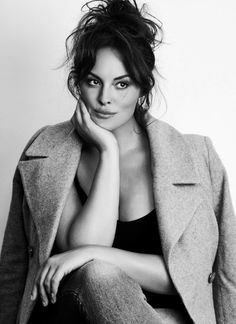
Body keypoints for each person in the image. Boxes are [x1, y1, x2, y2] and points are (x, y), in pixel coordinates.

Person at [0, 0, 236, 323]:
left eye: (121, 84)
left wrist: (97, 254)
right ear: (77, 81)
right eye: (93, 81)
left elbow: (205, 276)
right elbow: (29, 270)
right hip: (70, 316)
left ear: (142, 85)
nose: (105, 98)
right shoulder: (46, 154)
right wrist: (108, 152)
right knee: (98, 276)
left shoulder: (197, 159)